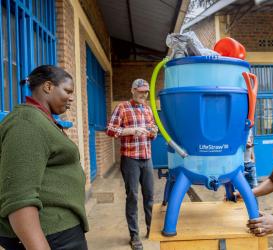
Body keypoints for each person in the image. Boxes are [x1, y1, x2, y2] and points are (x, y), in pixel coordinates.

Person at [0, 65, 89, 250]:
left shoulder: (42, 119)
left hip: (60, 232)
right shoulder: (26, 123)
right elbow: (19, 200)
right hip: (51, 236)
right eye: (67, 91)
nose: (71, 97)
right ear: (48, 87)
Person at [106, 79, 158, 250]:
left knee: (150, 196)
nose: (144, 94)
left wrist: (153, 132)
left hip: (147, 158)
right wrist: (131, 131)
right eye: (141, 91)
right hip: (130, 159)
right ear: (132, 90)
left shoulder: (148, 110)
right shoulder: (122, 108)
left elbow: (151, 134)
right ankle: (134, 236)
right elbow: (110, 130)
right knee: (133, 197)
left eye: (146, 92)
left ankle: (152, 229)